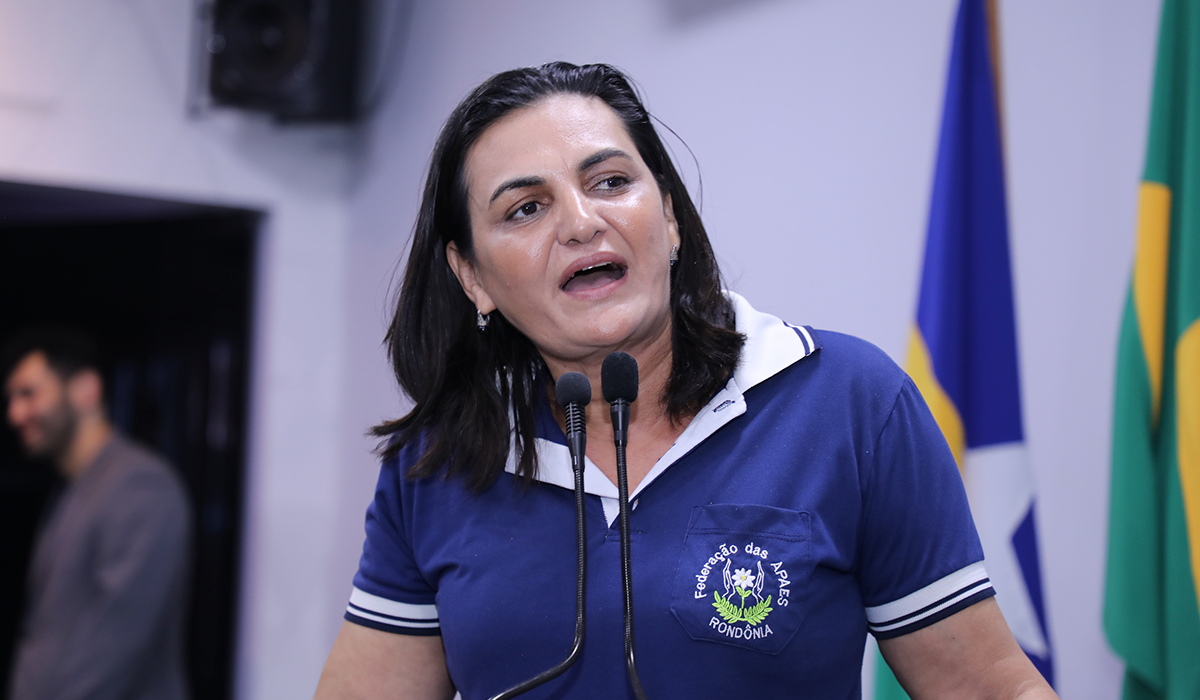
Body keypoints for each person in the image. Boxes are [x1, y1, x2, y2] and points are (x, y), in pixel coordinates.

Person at [314, 62, 1058, 699]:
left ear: (669, 216)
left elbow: (991, 687)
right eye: (527, 208)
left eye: (610, 181)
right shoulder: (436, 462)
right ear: (471, 276)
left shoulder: (848, 404)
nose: (581, 223)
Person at [3, 328, 192, 700]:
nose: (14, 414)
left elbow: (116, 644)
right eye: (10, 399)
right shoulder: (74, 489)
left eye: (28, 394)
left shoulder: (140, 485)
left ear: (86, 389)